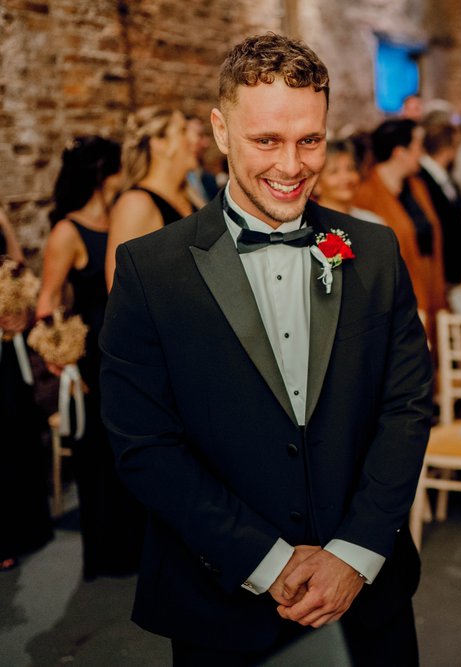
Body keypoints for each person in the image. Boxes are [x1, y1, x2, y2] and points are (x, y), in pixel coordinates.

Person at [100, 33, 433, 665]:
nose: (291, 165)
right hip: (220, 601)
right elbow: (143, 443)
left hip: (367, 599)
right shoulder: (150, 269)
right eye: (266, 141)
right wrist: (267, 559)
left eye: (310, 139)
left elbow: (407, 407)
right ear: (221, 131)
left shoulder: (378, 251)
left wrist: (355, 552)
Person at [35, 136, 146, 580]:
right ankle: (109, 555)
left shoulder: (123, 220)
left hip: (124, 354)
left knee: (132, 451)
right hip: (91, 363)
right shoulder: (68, 231)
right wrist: (61, 361)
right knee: (101, 460)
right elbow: (46, 306)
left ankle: (138, 545)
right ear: (104, 174)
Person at [354, 119, 447, 328]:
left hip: (429, 288)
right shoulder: (367, 194)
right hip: (397, 298)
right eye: (417, 147)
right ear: (399, 152)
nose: (422, 154)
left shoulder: (417, 187)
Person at [0, 208, 53, 572]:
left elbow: (15, 262)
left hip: (7, 342)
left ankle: (29, 526)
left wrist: (4, 221)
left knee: (18, 427)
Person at [105, 106, 198, 288]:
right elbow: (120, 291)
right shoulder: (136, 204)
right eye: (183, 131)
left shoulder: (190, 197)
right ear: (159, 143)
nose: (195, 139)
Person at [417, 121, 461, 289]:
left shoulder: (445, 176)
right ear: (448, 148)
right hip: (440, 268)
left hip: (453, 269)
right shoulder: (421, 179)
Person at [313, 139, 384, 225]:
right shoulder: (309, 226)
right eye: (333, 171)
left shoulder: (371, 221)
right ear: (316, 184)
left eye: (350, 169)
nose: (346, 178)